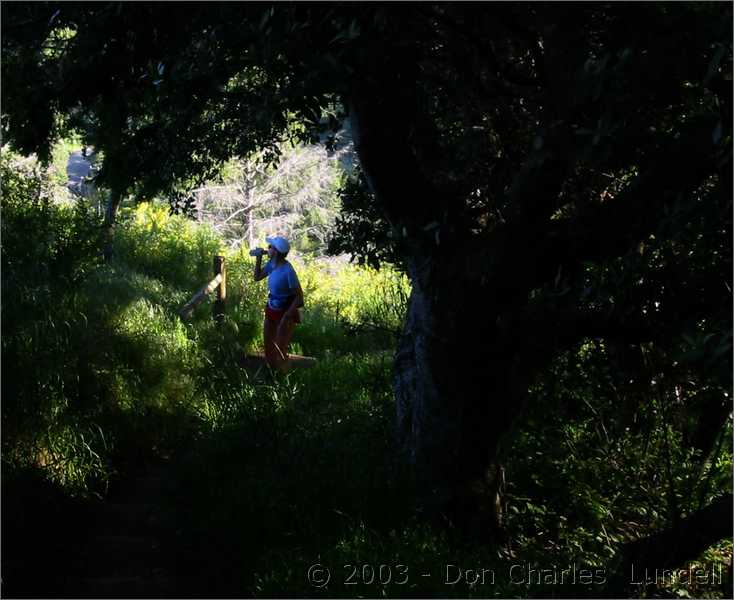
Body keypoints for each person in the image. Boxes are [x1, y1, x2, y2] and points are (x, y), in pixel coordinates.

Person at [251, 236, 304, 372]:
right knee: (268, 346)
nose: (268, 249)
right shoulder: (272, 265)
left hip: (285, 312)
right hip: (271, 309)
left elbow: (299, 297)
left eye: (271, 247)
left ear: (276, 252)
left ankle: (282, 377)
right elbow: (257, 277)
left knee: (280, 349)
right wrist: (258, 258)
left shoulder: (288, 271)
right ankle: (270, 375)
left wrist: (287, 316)